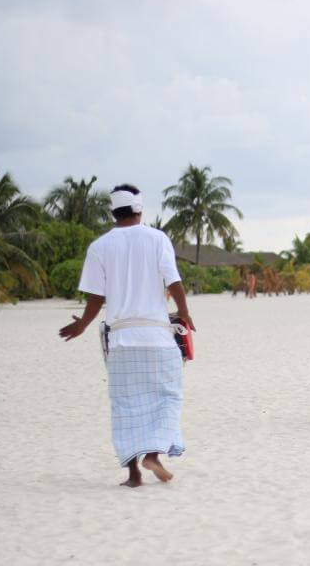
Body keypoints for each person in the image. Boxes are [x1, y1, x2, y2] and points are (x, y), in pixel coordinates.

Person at [58, 185, 195, 488]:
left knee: (126, 405)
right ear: (139, 210)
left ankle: (134, 474)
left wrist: (81, 324)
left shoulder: (100, 246)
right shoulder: (157, 238)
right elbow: (173, 281)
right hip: (158, 337)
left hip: (121, 339)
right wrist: (184, 313)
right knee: (168, 397)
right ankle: (154, 455)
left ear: (113, 212)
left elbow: (96, 297)